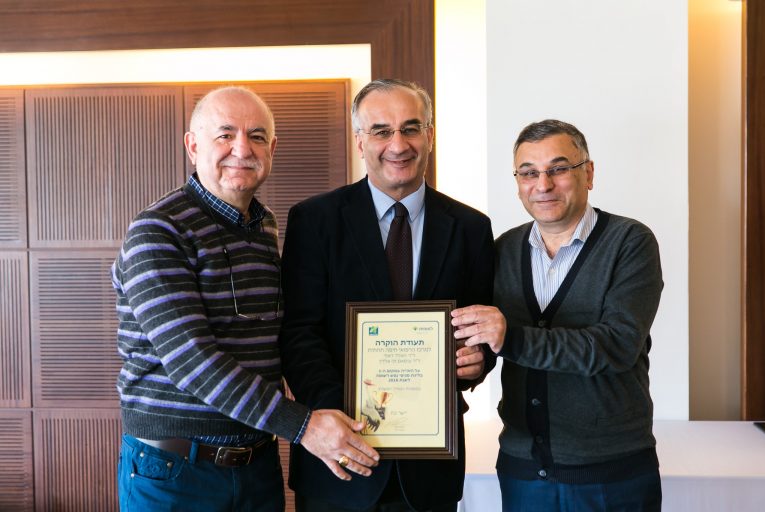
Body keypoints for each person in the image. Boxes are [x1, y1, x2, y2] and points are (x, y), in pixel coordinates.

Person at [111, 86, 378, 512]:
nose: (242, 148)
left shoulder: (263, 225)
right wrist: (304, 426)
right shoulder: (159, 230)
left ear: (272, 149)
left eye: (256, 136)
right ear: (193, 145)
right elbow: (192, 361)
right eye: (225, 134)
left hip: (257, 465)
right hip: (176, 471)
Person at [279, 78, 496, 511]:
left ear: (429, 135)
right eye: (381, 131)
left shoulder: (471, 227)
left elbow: (480, 329)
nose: (398, 144)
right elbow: (298, 333)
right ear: (360, 141)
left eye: (411, 128)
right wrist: (342, 418)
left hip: (430, 470)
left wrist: (479, 361)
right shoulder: (314, 220)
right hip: (340, 462)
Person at [452, 119, 664, 511]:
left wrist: (511, 337)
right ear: (518, 182)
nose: (543, 184)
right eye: (528, 173)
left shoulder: (630, 242)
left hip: (610, 473)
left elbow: (617, 345)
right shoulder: (503, 250)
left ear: (589, 173)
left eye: (558, 169)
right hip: (522, 471)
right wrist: (473, 364)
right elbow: (490, 342)